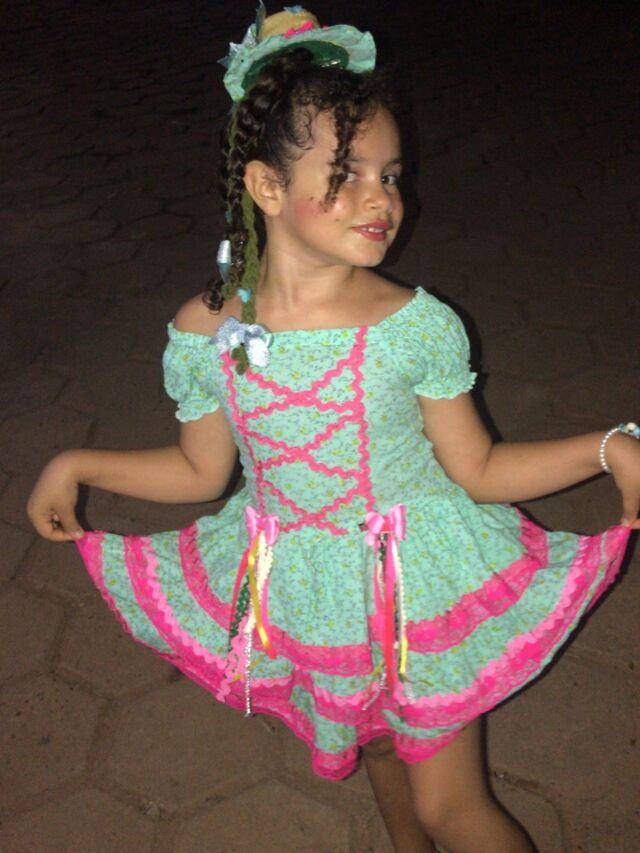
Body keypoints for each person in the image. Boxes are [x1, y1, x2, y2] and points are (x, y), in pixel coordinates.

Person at [27, 5, 640, 852]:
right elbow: (201, 471)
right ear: (267, 188)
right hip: (308, 592)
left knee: (451, 807)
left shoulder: (413, 326)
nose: (381, 198)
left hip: (416, 586)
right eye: (346, 174)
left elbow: (481, 467)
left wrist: (609, 448)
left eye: (391, 174)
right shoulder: (207, 331)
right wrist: (76, 462)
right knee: (377, 747)